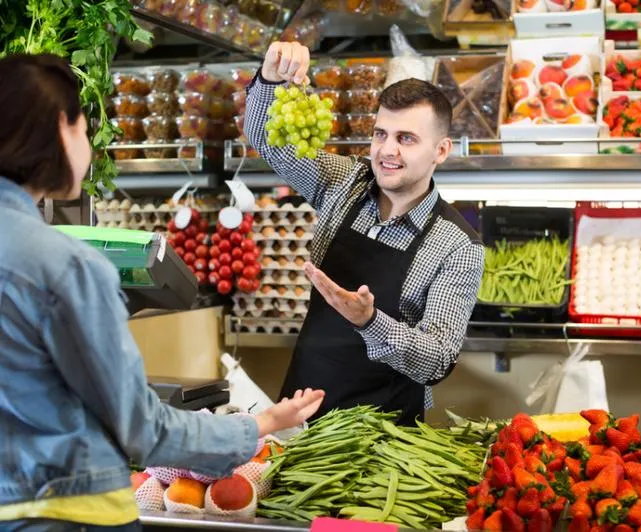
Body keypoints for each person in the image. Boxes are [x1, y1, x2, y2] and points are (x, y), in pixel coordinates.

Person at [0, 54, 325, 532]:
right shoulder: (66, 264)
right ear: (59, 131)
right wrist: (263, 424)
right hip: (66, 514)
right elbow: (143, 429)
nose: (88, 147)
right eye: (85, 130)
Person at [244, 42, 484, 426]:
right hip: (303, 407)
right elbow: (270, 144)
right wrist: (270, 78)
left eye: (406, 138)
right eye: (380, 134)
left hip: (383, 433)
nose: (387, 150)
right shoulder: (345, 182)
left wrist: (369, 320)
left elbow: (438, 359)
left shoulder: (457, 245)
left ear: (441, 151)